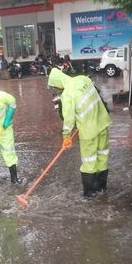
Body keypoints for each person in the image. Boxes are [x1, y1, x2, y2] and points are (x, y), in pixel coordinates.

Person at [47, 68, 112, 199]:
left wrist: (66, 136)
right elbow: (97, 96)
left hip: (89, 130)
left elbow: (69, 119)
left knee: (89, 161)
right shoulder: (84, 79)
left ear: (57, 83)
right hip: (103, 123)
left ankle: (89, 193)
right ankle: (102, 187)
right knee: (102, 156)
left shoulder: (67, 95)